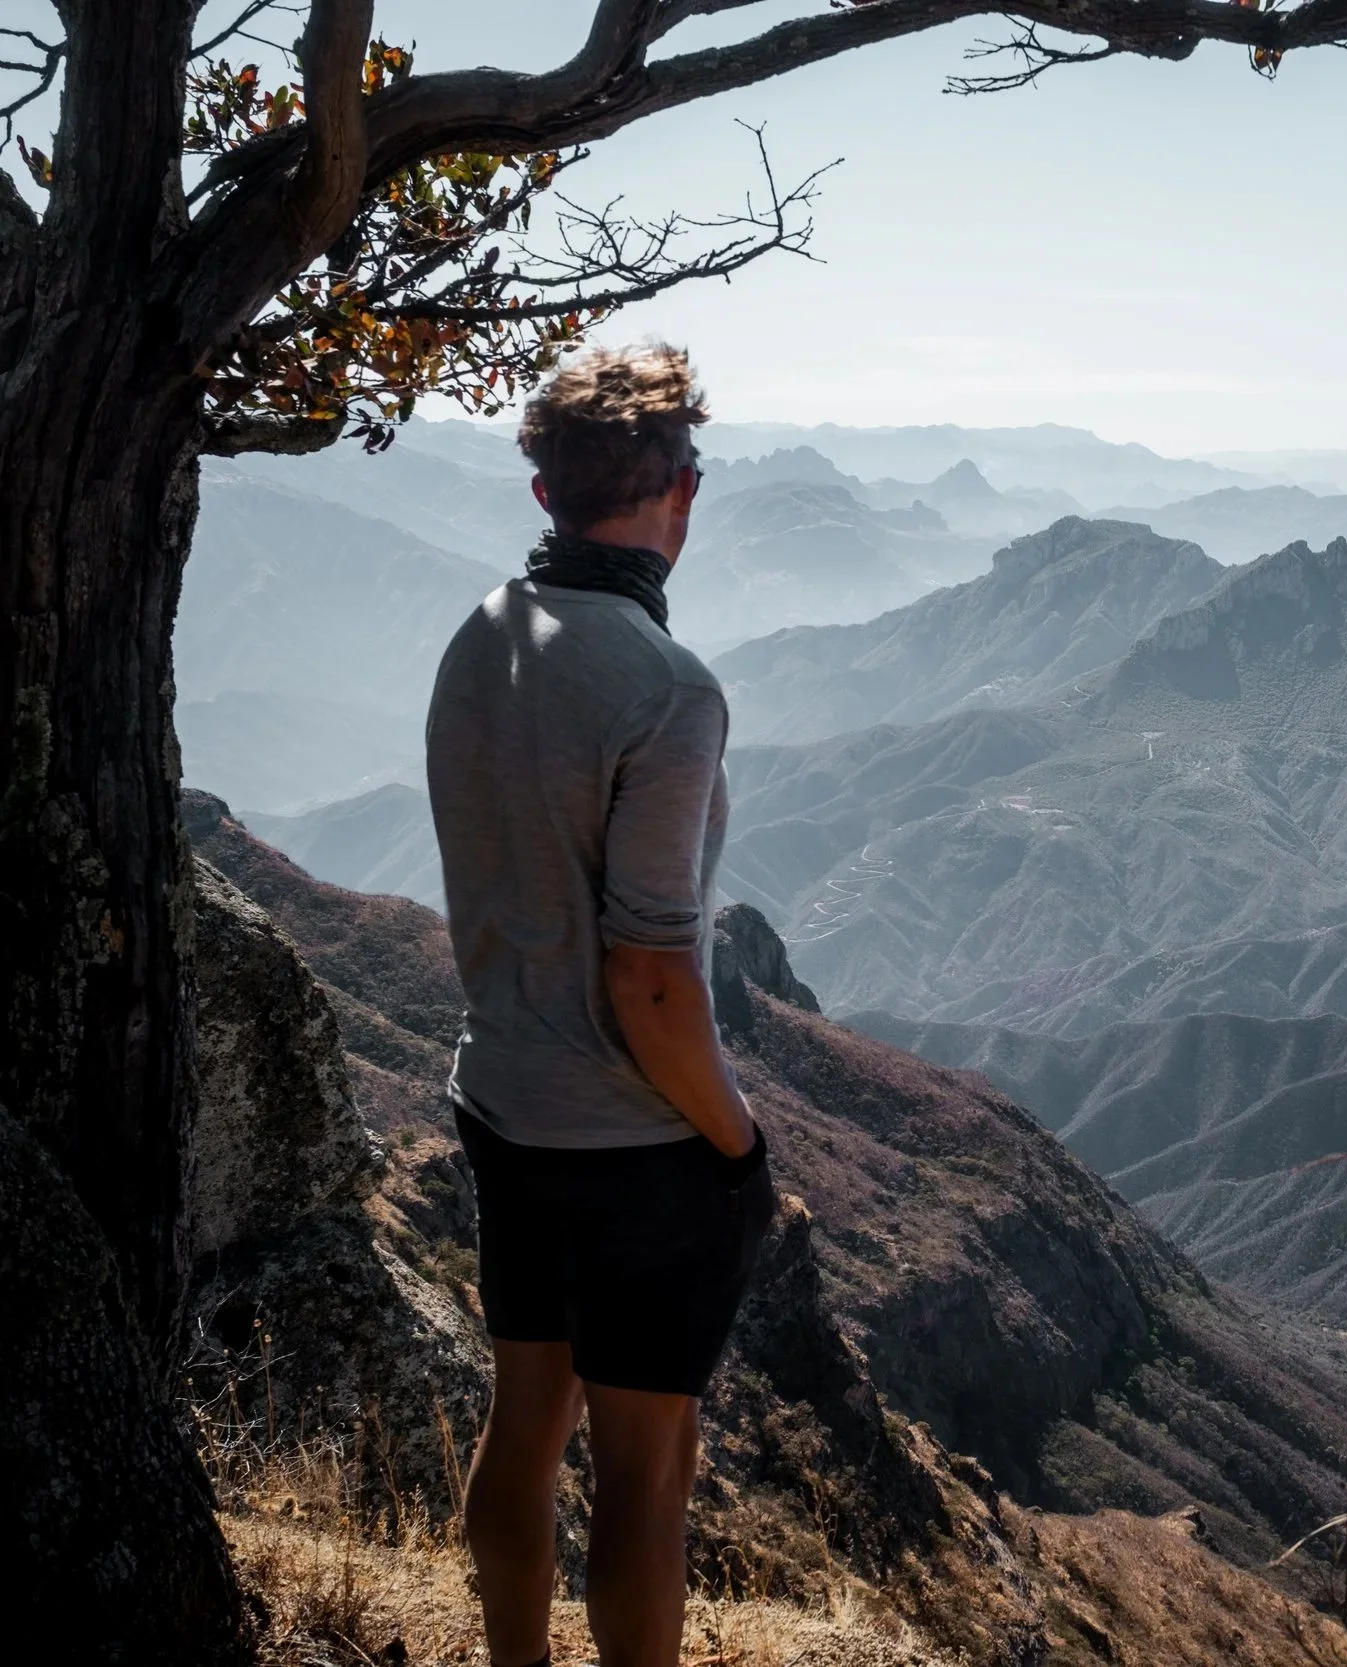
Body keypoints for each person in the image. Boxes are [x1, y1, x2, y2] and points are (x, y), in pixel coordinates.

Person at [426, 343, 769, 1667]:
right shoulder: (666, 689)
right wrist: (734, 1138)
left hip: (503, 1102)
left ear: (544, 490)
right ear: (683, 492)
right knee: (644, 1473)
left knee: (523, 1428)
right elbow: (651, 974)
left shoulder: (484, 635)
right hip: (635, 1146)